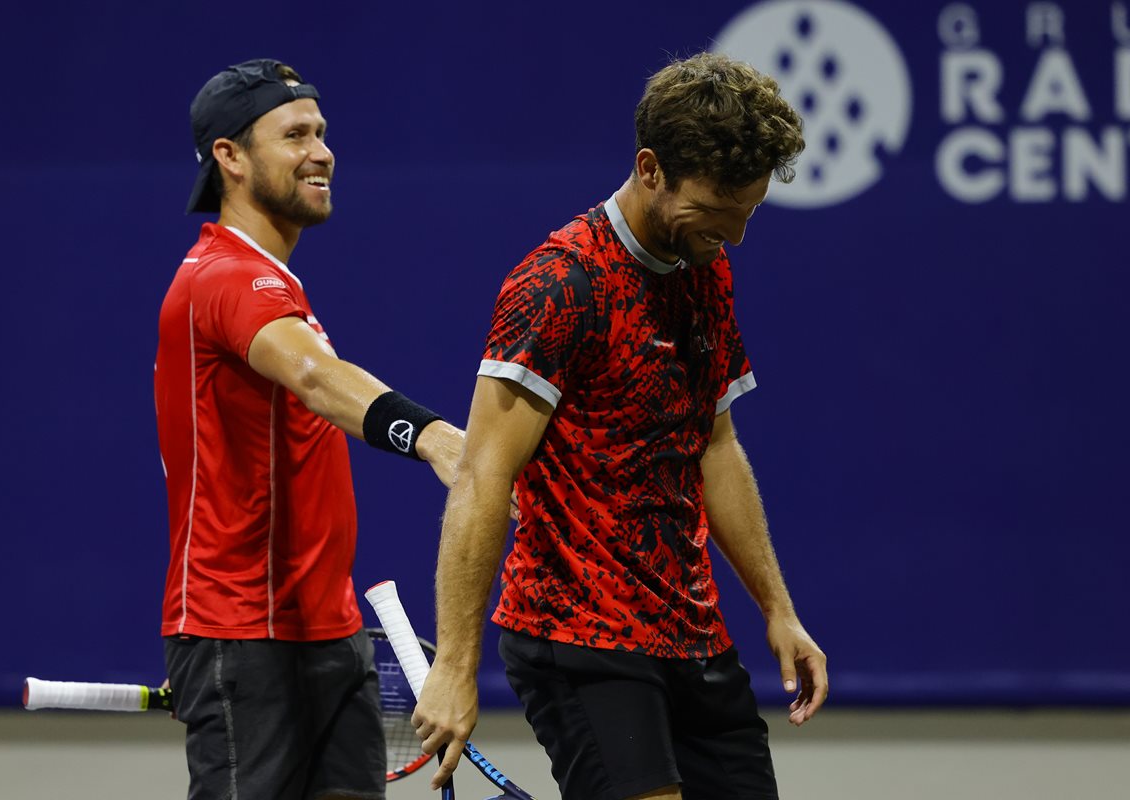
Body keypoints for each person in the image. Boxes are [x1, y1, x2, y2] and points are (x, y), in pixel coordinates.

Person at [412, 52, 828, 800]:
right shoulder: (558, 284)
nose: (734, 236)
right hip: (578, 632)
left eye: (749, 212)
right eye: (718, 210)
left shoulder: (706, 264)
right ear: (650, 169)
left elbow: (716, 446)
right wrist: (454, 665)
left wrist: (778, 608)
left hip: (690, 631)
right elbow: (483, 473)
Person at [154, 58, 463, 800]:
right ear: (229, 157)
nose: (321, 152)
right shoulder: (225, 276)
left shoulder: (273, 283)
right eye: (294, 135)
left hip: (328, 632)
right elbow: (319, 379)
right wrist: (432, 438)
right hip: (243, 635)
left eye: (321, 133)